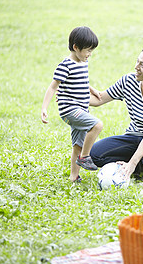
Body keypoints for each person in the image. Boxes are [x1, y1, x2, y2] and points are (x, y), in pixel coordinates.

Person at [89, 45, 143, 180]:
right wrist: (73, 97)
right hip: (135, 135)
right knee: (94, 154)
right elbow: (99, 99)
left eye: (142, 65)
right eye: (137, 61)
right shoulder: (128, 81)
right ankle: (140, 165)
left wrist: (132, 164)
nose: (136, 67)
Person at [41, 26, 104, 182]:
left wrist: (92, 89)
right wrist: (44, 108)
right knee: (97, 125)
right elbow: (53, 87)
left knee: (78, 144)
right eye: (88, 51)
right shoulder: (65, 65)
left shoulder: (82, 62)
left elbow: (81, 81)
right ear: (76, 47)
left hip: (81, 108)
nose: (90, 54)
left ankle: (74, 176)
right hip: (70, 109)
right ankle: (85, 157)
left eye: (91, 51)